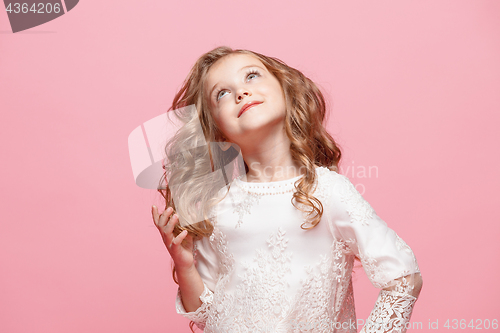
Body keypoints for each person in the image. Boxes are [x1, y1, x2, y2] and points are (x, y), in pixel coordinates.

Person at [151, 46, 422, 333]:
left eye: (252, 76)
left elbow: (404, 277)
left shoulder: (327, 191)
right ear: (216, 129)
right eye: (222, 93)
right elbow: (205, 314)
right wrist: (184, 265)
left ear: (285, 89)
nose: (241, 93)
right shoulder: (216, 206)